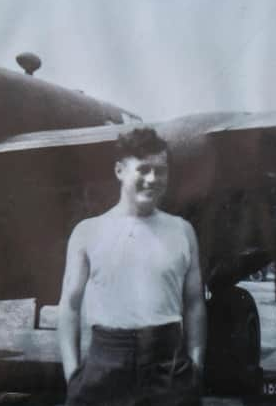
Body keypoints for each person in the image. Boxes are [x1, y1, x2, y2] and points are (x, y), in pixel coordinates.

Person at [58, 127, 206, 406]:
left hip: (169, 366)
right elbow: (70, 306)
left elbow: (195, 303)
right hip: (106, 363)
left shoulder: (182, 231)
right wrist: (73, 375)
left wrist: (196, 369)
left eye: (161, 171)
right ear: (119, 171)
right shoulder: (88, 232)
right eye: (144, 169)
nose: (153, 179)